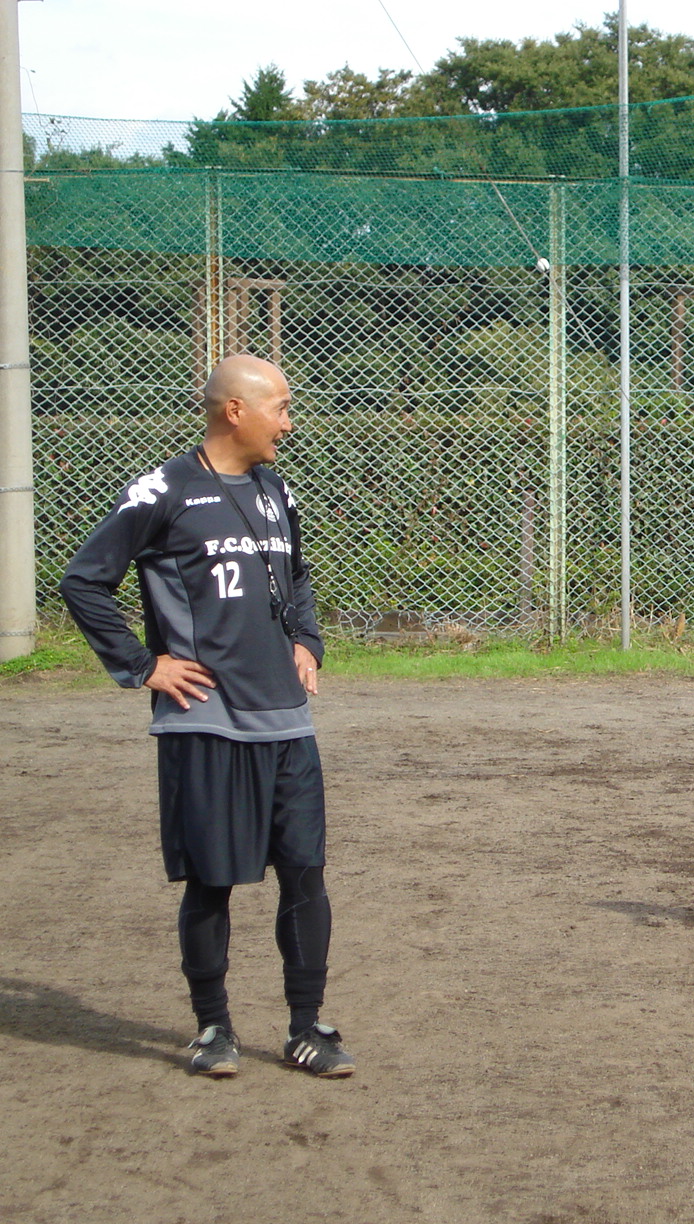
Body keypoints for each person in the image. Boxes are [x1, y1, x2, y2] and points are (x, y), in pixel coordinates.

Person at [60, 354, 355, 1079]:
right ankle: (213, 1030)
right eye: (280, 407)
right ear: (235, 411)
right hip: (205, 720)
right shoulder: (163, 489)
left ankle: (306, 1028)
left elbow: (299, 578)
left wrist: (306, 642)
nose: (289, 421)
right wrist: (143, 664)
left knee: (306, 874)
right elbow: (84, 580)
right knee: (212, 881)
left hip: (286, 722)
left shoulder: (274, 489)